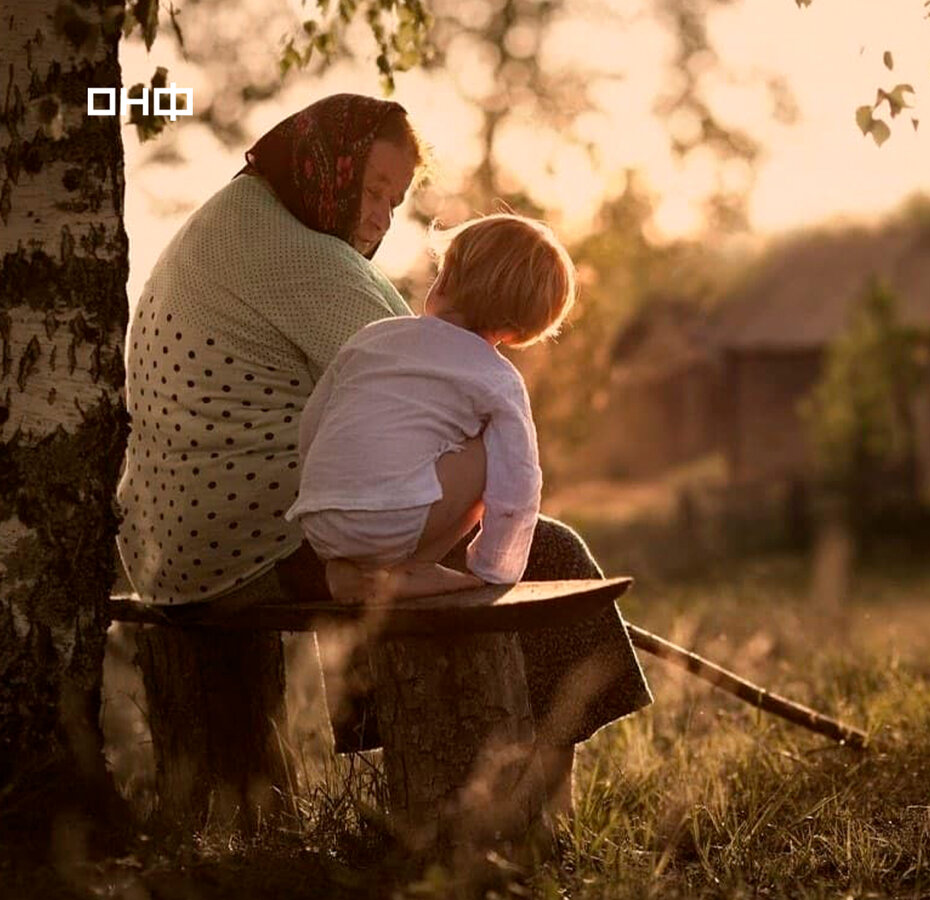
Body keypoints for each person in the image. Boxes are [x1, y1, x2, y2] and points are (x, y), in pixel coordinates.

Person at [115, 93, 651, 814]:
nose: (379, 216)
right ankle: (535, 806)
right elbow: (432, 397)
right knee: (543, 550)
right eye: (371, 190)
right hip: (251, 549)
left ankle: (481, 775)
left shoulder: (236, 220)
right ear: (325, 166)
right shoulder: (307, 262)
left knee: (425, 525)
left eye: (394, 202)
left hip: (168, 546)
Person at [287, 213, 575, 605]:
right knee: (492, 453)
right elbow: (518, 483)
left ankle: (348, 571)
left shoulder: (372, 338)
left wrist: (322, 491)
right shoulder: (497, 377)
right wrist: (495, 568)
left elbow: (313, 424)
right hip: (393, 521)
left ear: (445, 279)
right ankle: (415, 567)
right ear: (516, 329)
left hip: (319, 520)